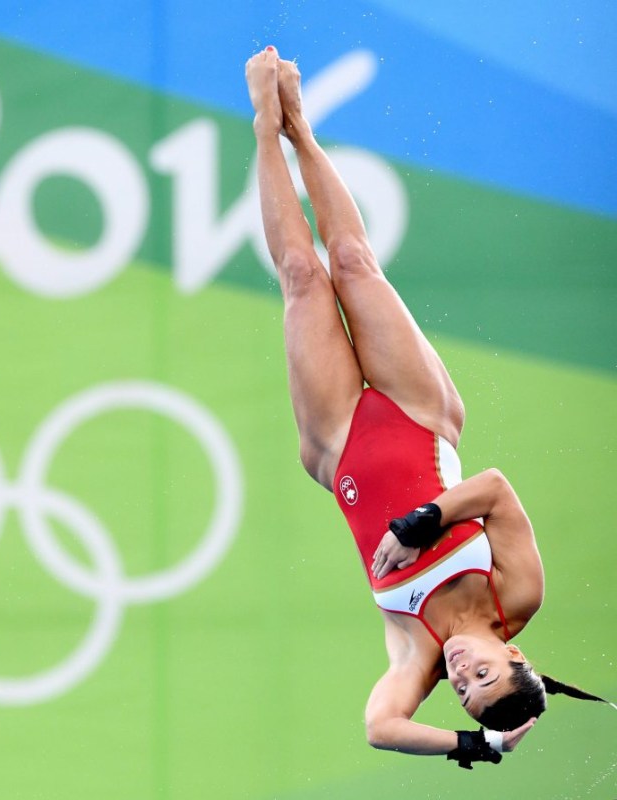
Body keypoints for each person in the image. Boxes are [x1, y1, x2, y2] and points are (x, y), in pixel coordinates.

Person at [244, 45, 611, 768]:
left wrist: (473, 743)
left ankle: (262, 123)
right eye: (484, 674)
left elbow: (381, 725)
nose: (461, 674)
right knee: (351, 261)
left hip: (341, 445)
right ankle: (301, 129)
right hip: (421, 417)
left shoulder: (418, 652)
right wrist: (428, 520)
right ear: (514, 651)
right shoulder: (519, 594)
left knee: (301, 278)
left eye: (464, 692)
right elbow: (497, 492)